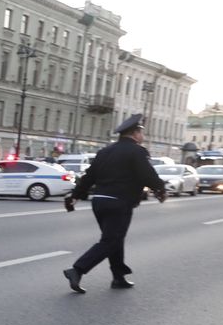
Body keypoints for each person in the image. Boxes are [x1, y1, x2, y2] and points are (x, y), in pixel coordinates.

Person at [62, 113, 167, 293]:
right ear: (135, 133)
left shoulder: (104, 152)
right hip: (119, 203)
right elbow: (147, 175)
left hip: (99, 202)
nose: (143, 136)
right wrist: (161, 189)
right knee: (111, 240)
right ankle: (77, 270)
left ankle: (118, 277)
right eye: (141, 132)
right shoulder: (137, 151)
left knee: (114, 239)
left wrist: (76, 195)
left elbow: (89, 176)